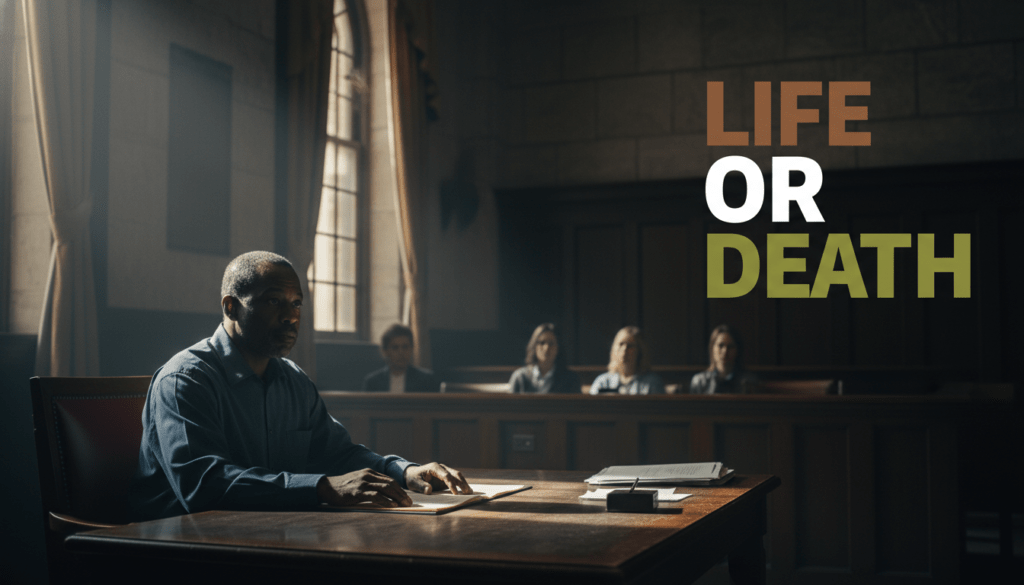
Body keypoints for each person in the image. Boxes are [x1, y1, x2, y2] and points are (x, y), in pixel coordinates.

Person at [131, 251, 469, 521]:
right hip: (178, 548)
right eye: (274, 301)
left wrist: (404, 471)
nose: (291, 316)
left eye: (297, 303)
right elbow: (203, 485)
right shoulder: (185, 380)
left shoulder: (293, 379)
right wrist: (322, 488)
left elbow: (337, 454)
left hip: (266, 536)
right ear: (231, 307)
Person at [361, 323, 440, 392]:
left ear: (412, 349)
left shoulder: (426, 380)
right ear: (385, 351)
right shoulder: (373, 382)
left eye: (405, 347)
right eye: (395, 348)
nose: (401, 352)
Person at [589, 326, 665, 395]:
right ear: (614, 349)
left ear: (639, 351)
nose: (624, 350)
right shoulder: (603, 382)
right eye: (621, 344)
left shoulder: (652, 383)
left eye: (630, 346)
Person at [508, 323, 581, 394]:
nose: (546, 348)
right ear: (534, 346)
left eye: (551, 343)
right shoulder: (520, 377)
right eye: (542, 343)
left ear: (558, 347)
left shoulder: (571, 380)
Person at [690, 324, 758, 394]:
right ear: (712, 348)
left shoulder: (749, 381)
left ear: (737, 350)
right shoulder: (699, 381)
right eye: (720, 345)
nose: (725, 351)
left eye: (730, 346)